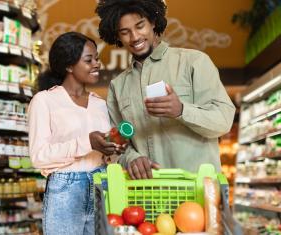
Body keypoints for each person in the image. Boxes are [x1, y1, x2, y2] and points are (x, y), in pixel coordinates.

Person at [95, 0, 236, 179]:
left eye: (140, 26)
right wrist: (132, 158)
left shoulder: (194, 62)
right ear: (117, 36)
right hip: (147, 195)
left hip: (197, 190)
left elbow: (223, 121)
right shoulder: (118, 86)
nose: (135, 37)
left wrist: (181, 110)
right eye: (125, 32)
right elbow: (118, 142)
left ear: (153, 22)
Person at [28, 32, 118, 235]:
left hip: (101, 184)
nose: (97, 64)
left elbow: (107, 154)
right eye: (89, 60)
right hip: (65, 190)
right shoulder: (44, 101)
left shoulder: (101, 105)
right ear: (69, 65)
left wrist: (114, 148)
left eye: (97, 58)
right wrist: (87, 142)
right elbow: (39, 157)